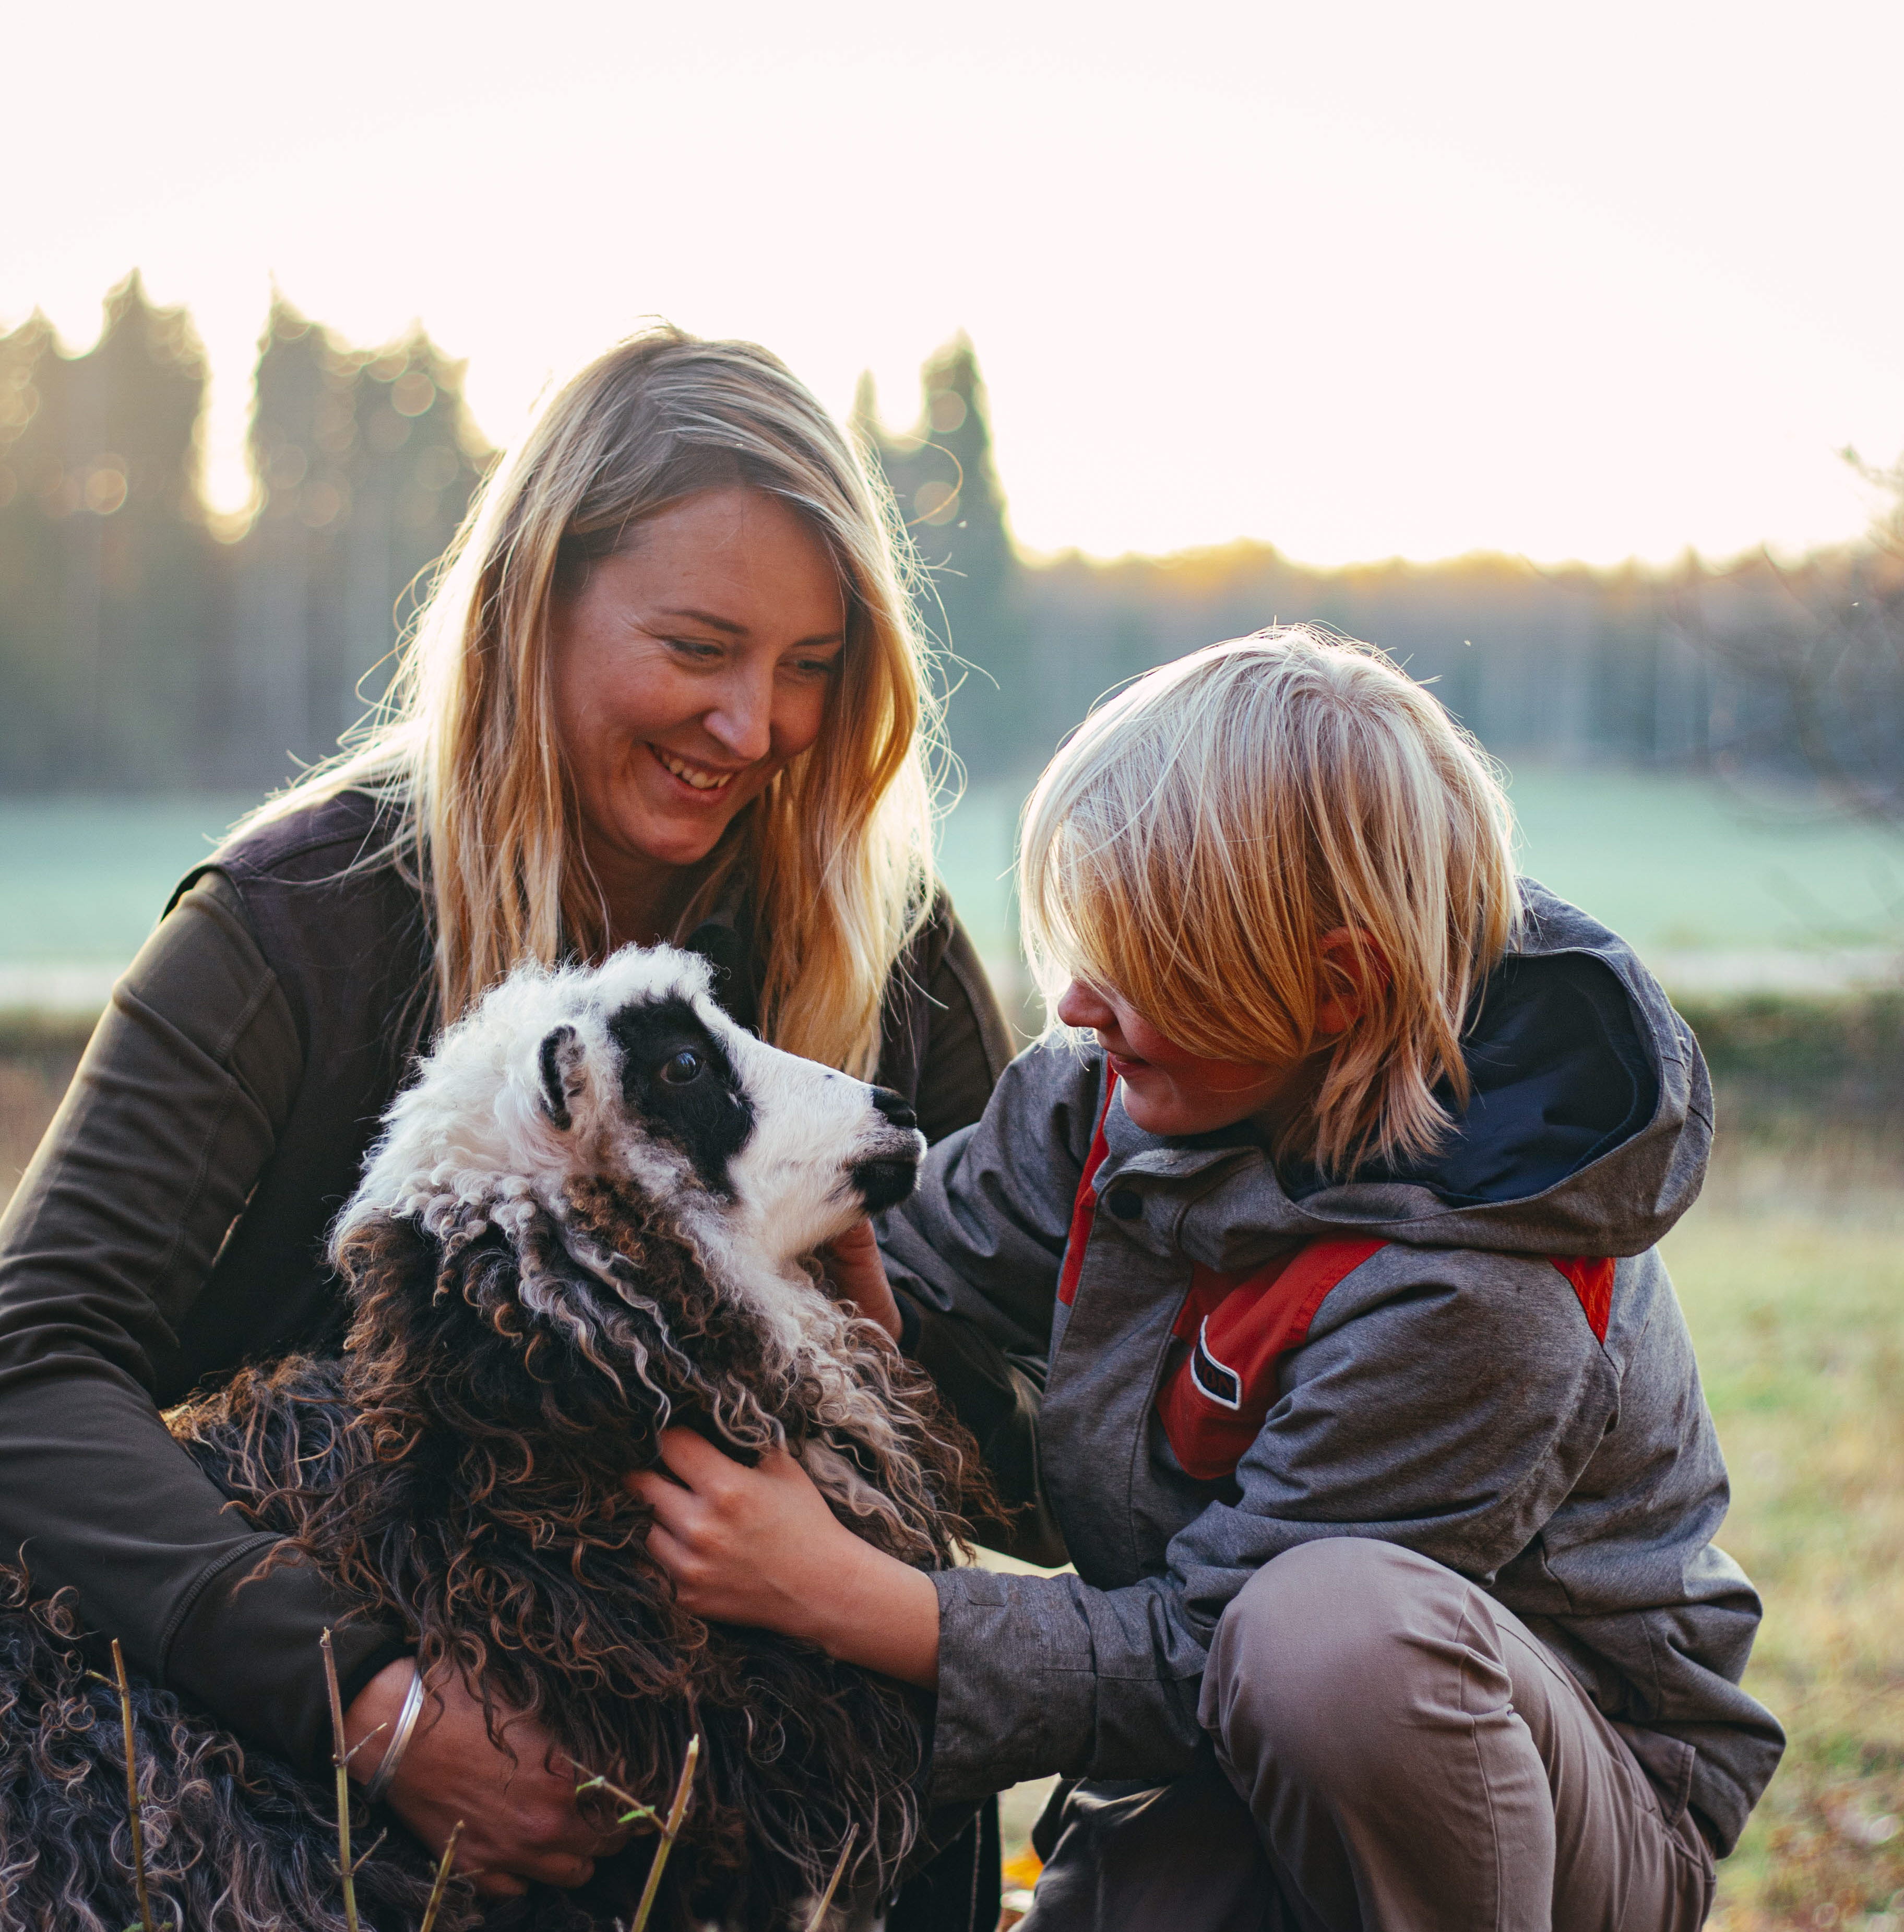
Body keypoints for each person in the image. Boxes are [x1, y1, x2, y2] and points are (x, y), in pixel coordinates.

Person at [0, 327, 1016, 1916]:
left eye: (812, 668)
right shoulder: (293, 927)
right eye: (699, 647)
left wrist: (908, 1371)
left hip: (791, 1772)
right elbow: (33, 1364)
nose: (755, 727)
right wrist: (367, 1701)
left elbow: (1037, 1428)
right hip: (316, 1797)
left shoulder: (882, 944)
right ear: (533, 606)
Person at [630, 626, 1785, 1931]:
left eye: (1145, 961)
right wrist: (848, 1308)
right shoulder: (1109, 1094)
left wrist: (849, 1600)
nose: (1074, 1004)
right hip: (1223, 1749)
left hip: (1555, 1800)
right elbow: (905, 1286)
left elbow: (1203, 1650)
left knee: (1331, 1636)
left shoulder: (1486, 1294)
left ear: (1335, 985)